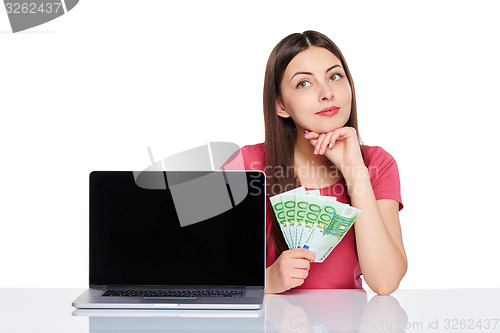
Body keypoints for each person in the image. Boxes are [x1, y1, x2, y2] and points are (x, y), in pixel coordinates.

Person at [223, 30, 407, 295]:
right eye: (304, 83)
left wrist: (355, 171)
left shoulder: (377, 163)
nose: (327, 93)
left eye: (334, 77)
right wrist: (266, 280)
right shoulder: (248, 164)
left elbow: (385, 282)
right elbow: (204, 267)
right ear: (280, 105)